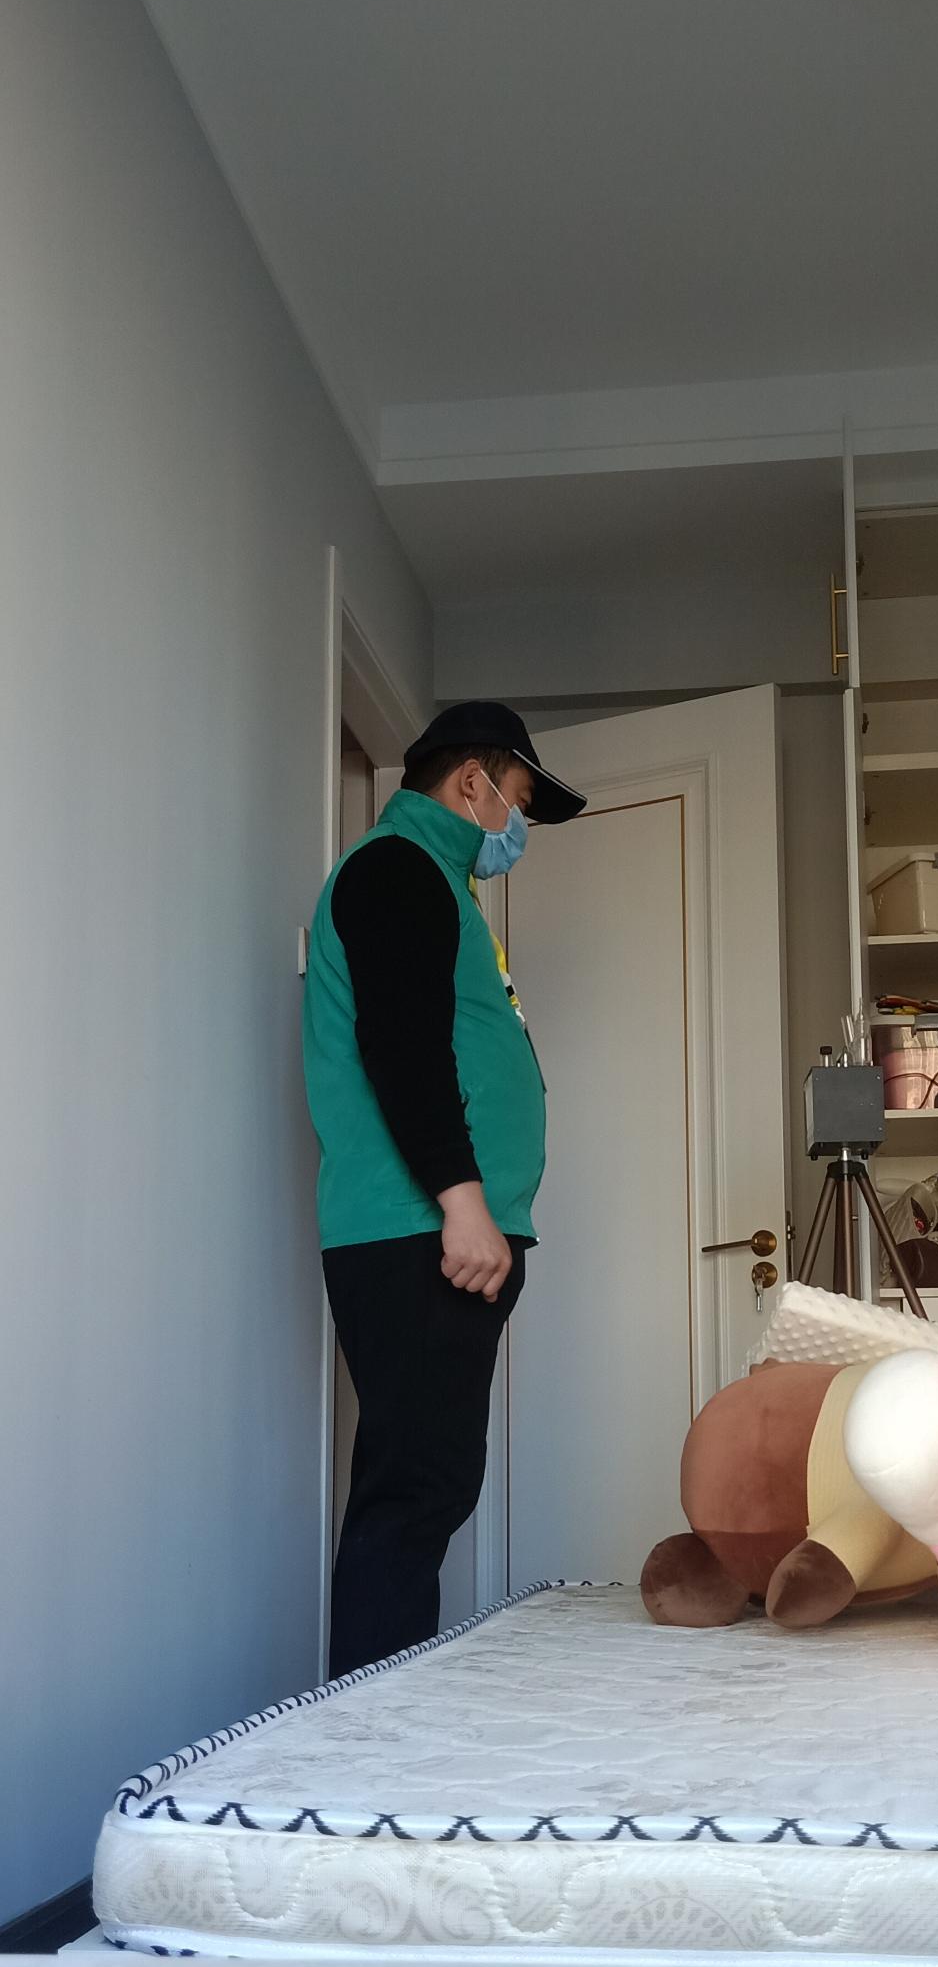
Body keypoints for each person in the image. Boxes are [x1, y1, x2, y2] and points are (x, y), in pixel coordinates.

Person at [302, 700, 585, 1676]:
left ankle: (373, 1720)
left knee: (424, 1486)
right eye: (519, 800)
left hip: (432, 1232)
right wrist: (462, 1204)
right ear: (473, 782)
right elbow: (402, 1046)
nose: (518, 826)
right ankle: (366, 1741)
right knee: (415, 1491)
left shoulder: (434, 881)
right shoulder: (397, 868)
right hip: (419, 1231)